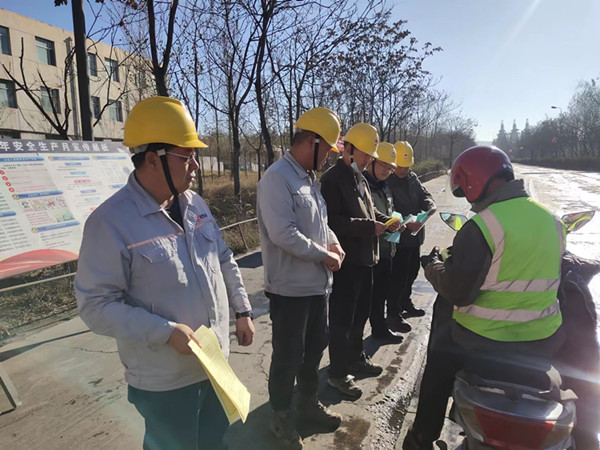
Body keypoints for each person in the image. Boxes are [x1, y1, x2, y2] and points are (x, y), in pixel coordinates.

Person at [75, 96, 255, 450]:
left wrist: (242, 309)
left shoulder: (195, 205)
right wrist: (165, 332)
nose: (196, 165)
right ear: (153, 159)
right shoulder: (111, 222)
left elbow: (222, 258)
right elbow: (95, 306)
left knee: (215, 443)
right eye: (186, 156)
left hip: (214, 365)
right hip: (165, 383)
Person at [403, 145, 566, 450]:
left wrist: (433, 266)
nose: (469, 201)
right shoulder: (553, 221)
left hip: (483, 340)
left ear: (474, 182)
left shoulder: (482, 226)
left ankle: (422, 436)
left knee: (437, 361)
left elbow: (458, 292)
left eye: (465, 191)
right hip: (541, 341)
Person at [256, 107, 345, 449]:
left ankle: (307, 404)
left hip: (316, 288)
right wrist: (324, 255)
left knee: (313, 352)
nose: (329, 158)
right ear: (312, 142)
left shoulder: (308, 180)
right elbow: (283, 233)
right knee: (288, 357)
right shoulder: (277, 179)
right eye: (328, 150)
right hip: (290, 290)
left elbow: (320, 224)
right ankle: (280, 416)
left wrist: (333, 242)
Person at [320, 123, 402, 399]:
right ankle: (338, 373)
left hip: (367, 259)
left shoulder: (360, 178)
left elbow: (370, 212)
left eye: (370, 155)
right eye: (365, 154)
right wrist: (369, 228)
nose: (368, 159)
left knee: (360, 316)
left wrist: (386, 222)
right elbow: (332, 222)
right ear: (349, 149)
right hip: (347, 262)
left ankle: (355, 358)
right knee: (342, 320)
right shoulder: (333, 180)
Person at [387, 141, 435, 332]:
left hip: (414, 237)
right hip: (398, 238)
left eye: (406, 167)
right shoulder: (387, 181)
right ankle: (393, 312)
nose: (402, 170)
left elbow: (424, 195)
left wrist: (430, 205)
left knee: (412, 271)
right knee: (397, 277)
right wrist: (405, 224)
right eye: (399, 166)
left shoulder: (413, 178)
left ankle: (405, 302)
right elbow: (386, 210)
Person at [364, 142, 404, 341]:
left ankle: (380, 329)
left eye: (390, 168)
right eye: (383, 165)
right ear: (372, 161)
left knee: (381, 292)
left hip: (387, 247)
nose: (386, 171)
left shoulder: (384, 186)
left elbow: (388, 211)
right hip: (370, 250)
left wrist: (396, 223)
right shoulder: (362, 185)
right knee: (369, 298)